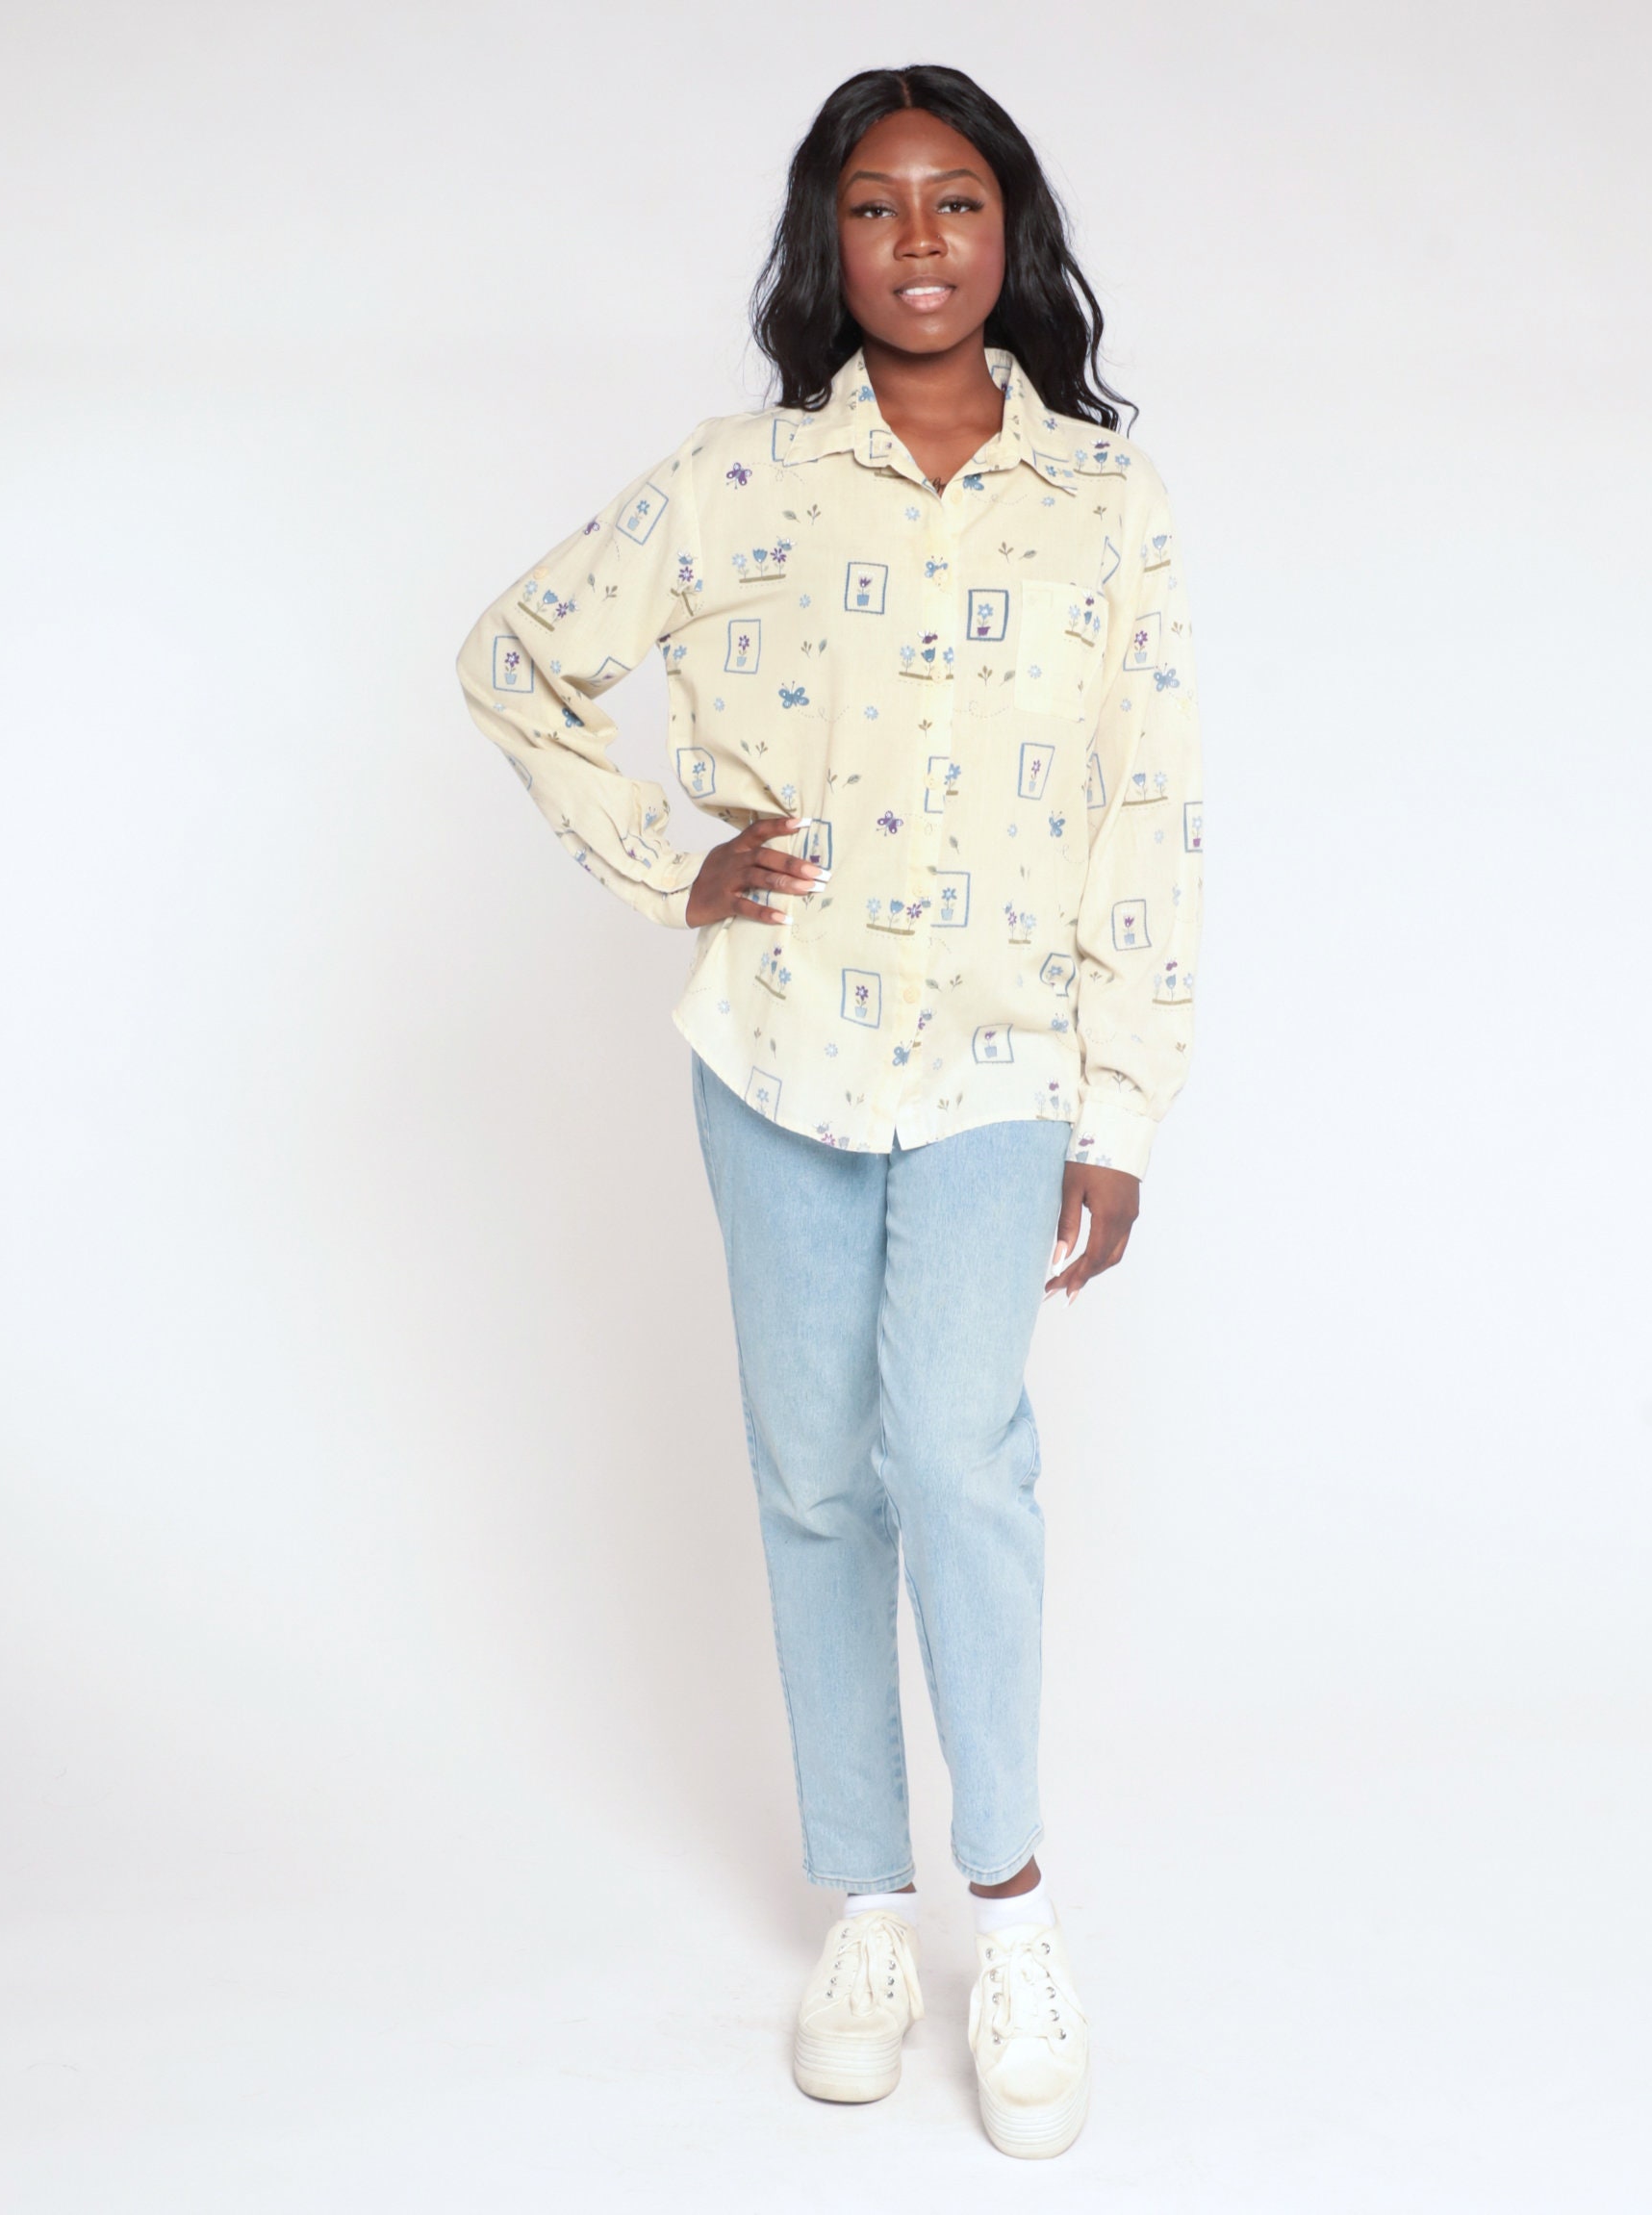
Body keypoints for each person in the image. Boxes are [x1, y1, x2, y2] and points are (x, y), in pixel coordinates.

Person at [455, 63, 1204, 2161]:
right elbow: (516, 656)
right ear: (830, 242)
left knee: (958, 1456)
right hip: (778, 1046)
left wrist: (1122, 1104)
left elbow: (1149, 804)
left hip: (998, 1059)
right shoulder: (735, 482)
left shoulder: (1106, 501)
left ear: (1008, 228)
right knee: (811, 1474)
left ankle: (1014, 1913)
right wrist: (664, 860)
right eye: (875, 207)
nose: (918, 241)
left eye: (953, 200)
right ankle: (866, 1911)